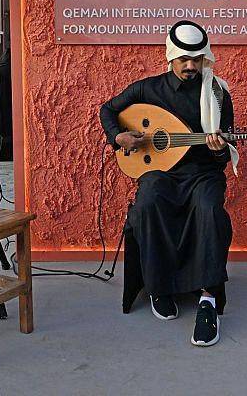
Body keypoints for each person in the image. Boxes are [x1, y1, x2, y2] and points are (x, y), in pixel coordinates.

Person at [99, 21, 238, 347]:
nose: (190, 66)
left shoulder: (217, 94)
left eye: (196, 59)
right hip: (159, 172)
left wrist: (219, 149)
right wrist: (118, 137)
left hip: (202, 172)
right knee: (148, 203)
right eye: (183, 59)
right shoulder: (147, 90)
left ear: (204, 58)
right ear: (171, 58)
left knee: (209, 208)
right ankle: (159, 287)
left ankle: (208, 299)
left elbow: (223, 153)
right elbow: (108, 110)